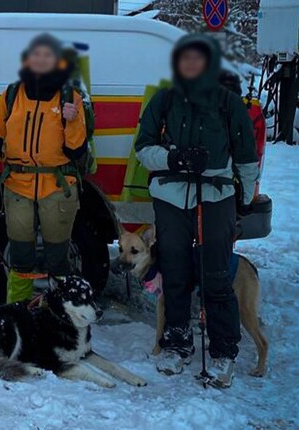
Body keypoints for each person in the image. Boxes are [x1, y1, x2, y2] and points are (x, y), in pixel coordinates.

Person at [135, 34, 258, 388]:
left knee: (216, 274)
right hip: (172, 196)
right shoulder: (164, 100)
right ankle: (177, 342)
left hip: (215, 196)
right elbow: (143, 147)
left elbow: (246, 156)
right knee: (174, 272)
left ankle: (223, 351)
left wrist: (244, 199)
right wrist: (172, 157)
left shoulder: (228, 103)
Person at [0, 33, 88, 304]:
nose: (40, 60)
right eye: (35, 55)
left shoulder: (69, 97)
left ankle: (62, 313)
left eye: (47, 56)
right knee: (21, 257)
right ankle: (18, 311)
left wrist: (72, 121)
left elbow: (77, 150)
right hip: (18, 186)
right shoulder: (11, 94)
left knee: (58, 258)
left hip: (58, 187)